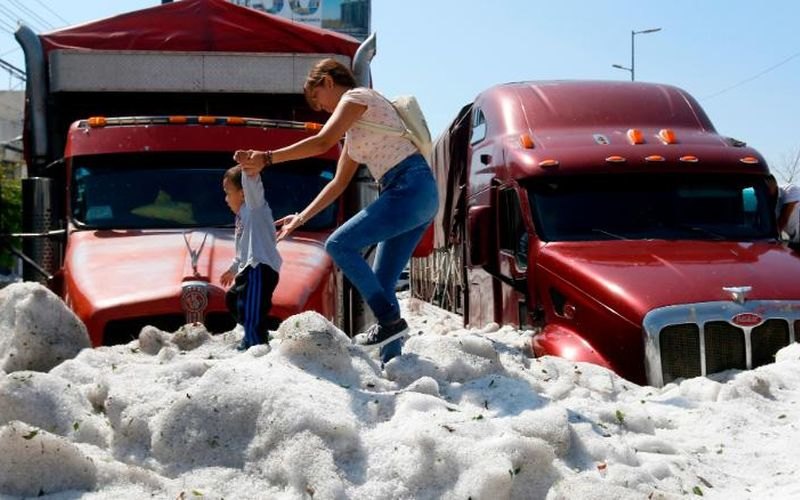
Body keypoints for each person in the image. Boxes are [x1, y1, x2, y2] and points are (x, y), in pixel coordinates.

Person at [234, 58, 438, 361]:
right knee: (382, 283)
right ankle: (392, 362)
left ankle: (390, 322)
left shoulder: (356, 97)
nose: (324, 110)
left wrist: (267, 158)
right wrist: (302, 217)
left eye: (319, 100)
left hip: (409, 187)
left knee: (339, 244)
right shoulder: (355, 134)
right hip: (416, 194)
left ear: (328, 81)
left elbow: (321, 142)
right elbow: (338, 184)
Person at [220, 165, 282, 351]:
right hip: (247, 267)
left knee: (251, 307)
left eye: (228, 192)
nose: (226, 199)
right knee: (233, 299)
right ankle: (258, 331)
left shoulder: (254, 209)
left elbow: (253, 185)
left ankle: (255, 343)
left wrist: (249, 169)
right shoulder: (241, 217)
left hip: (260, 267)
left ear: (243, 193)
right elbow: (242, 250)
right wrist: (232, 269)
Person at [766, 175, 800, 243]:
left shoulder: (790, 189)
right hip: (794, 239)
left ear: (773, 184)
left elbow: (784, 218)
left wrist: (773, 237)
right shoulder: (767, 202)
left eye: (766, 187)